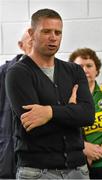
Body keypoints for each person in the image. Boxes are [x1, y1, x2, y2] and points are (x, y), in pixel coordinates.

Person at [5, 9, 95, 179]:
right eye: (46, 31)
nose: (53, 37)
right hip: (37, 172)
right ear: (32, 33)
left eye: (58, 32)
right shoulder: (18, 73)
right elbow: (34, 127)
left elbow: (88, 115)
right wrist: (71, 110)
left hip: (78, 170)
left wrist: (49, 112)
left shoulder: (74, 70)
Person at [69, 47, 102, 179]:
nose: (85, 70)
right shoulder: (66, 99)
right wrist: (84, 148)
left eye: (89, 65)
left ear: (96, 70)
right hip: (79, 167)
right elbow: (61, 133)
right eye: (80, 66)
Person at [0, 29, 32, 178]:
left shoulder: (55, 72)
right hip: (7, 154)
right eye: (31, 42)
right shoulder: (3, 73)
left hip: (40, 158)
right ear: (21, 45)